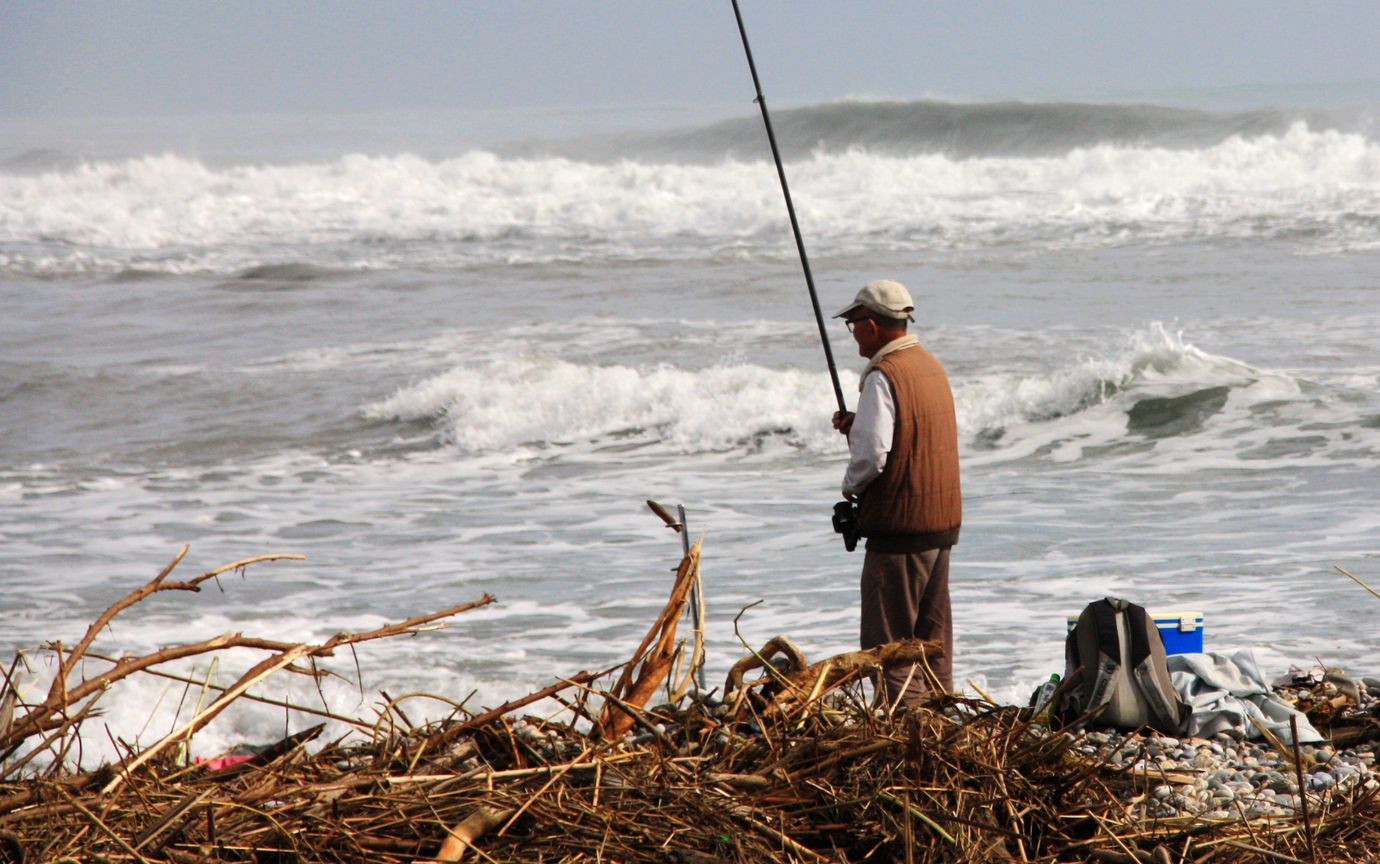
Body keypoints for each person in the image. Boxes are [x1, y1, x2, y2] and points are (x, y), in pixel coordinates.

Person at [831, 279, 961, 706]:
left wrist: (850, 488)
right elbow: (913, 434)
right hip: (939, 526)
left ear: (871, 325)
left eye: (853, 324)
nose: (853, 334)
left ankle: (904, 726)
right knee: (932, 640)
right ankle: (941, 721)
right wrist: (861, 425)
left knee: (889, 645)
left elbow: (872, 456)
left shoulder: (883, 375)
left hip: (900, 530)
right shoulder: (929, 365)